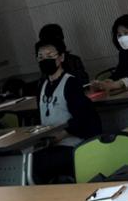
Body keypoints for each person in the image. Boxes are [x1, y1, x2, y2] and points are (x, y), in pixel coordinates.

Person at [31, 36, 103, 184]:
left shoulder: (71, 82)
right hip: (51, 144)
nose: (45, 60)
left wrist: (62, 134)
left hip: (72, 144)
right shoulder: (42, 85)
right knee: (28, 161)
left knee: (37, 165)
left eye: (50, 56)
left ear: (61, 57)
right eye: (40, 57)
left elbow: (83, 118)